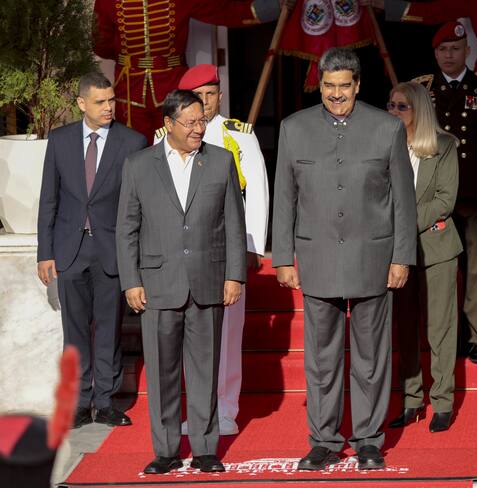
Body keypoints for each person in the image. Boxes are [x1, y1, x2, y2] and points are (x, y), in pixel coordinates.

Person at [272, 47, 417, 471]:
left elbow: (403, 202)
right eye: (329, 86)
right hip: (317, 260)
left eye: (344, 86)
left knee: (372, 358)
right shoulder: (293, 128)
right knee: (321, 360)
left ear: (358, 85)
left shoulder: (387, 128)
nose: (336, 94)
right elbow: (285, 197)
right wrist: (283, 257)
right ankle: (324, 440)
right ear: (320, 84)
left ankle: (369, 440)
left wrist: (401, 257)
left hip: (373, 258)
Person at [116, 90, 246, 473]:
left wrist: (234, 275)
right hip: (157, 285)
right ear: (168, 124)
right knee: (161, 374)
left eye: (201, 121)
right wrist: (131, 282)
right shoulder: (139, 165)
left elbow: (234, 227)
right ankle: (167, 450)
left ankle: (206, 449)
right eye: (189, 123)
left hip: (208, 281)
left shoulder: (220, 162)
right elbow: (127, 229)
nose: (198, 129)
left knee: (205, 371)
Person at [154, 64, 269, 436]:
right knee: (192, 336)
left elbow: (257, 194)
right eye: (196, 96)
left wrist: (251, 246)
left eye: (210, 94)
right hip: (183, 253)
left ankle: (226, 407)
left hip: (226, 249)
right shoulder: (165, 137)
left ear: (220, 95)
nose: (203, 104)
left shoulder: (239, 136)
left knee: (227, 333)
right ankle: (199, 408)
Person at [37, 72, 147, 429]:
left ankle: (107, 401)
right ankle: (80, 403)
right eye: (100, 102)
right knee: (75, 331)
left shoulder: (132, 142)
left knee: (110, 328)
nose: (109, 108)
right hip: (69, 250)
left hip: (110, 249)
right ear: (82, 104)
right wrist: (44, 251)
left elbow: (138, 205)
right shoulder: (60, 141)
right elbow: (48, 200)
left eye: (112, 100)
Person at [415, 21, 477, 365]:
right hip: (434, 195)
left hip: (473, 194)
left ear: (467, 50)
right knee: (438, 268)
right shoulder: (422, 89)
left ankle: (472, 338)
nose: (448, 55)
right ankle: (440, 335)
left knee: (476, 269)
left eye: (455, 48)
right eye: (442, 49)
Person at [93, 0, 293, 141]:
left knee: (178, 150)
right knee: (133, 154)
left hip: (172, 87)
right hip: (130, 91)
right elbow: (100, 43)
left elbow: (224, 10)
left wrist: (273, 7)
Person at [386, 82, 463, 432]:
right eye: (391, 105)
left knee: (440, 329)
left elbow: (445, 200)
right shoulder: (384, 147)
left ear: (419, 110)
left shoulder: (444, 146)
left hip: (437, 250)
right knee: (405, 329)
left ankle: (442, 402)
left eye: (402, 106)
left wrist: (402, 222)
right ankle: (412, 400)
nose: (394, 111)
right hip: (397, 253)